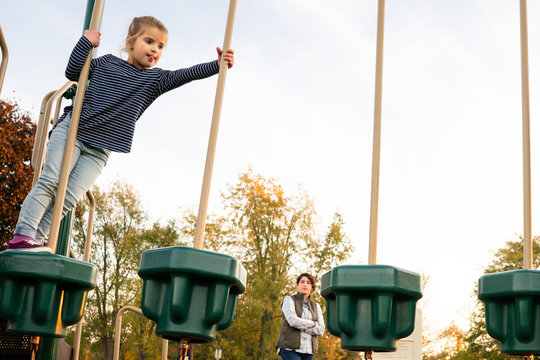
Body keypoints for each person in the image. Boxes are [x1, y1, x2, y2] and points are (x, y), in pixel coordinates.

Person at [8, 16, 234, 252]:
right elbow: (73, 71)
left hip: (99, 151)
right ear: (130, 42)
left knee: (69, 198)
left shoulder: (154, 80)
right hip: (74, 131)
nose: (154, 50)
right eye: (149, 41)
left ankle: (37, 240)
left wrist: (215, 65)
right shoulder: (106, 63)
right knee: (52, 181)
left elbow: (183, 74)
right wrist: (86, 42)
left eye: (160, 47)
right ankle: (23, 235)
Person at [276, 273, 325, 360]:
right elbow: (293, 321)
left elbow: (321, 330)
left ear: (312, 287)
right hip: (289, 348)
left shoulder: (316, 306)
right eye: (302, 282)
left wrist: (300, 325)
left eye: (308, 282)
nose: (305, 284)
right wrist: (313, 323)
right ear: (297, 285)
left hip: (308, 350)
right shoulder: (289, 300)